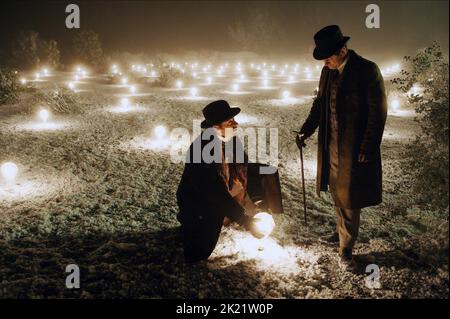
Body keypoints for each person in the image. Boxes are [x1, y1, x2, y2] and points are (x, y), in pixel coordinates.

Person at [296, 25, 387, 270]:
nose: (325, 62)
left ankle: (346, 249)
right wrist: (306, 130)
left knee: (350, 198)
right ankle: (342, 234)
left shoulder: (367, 70)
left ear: (343, 50)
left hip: (355, 147)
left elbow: (377, 114)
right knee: (337, 191)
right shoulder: (327, 72)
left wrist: (368, 147)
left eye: (328, 56)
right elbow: (319, 105)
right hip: (331, 145)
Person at [176, 100, 264, 263]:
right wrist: (246, 221)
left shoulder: (230, 140)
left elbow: (243, 167)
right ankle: (202, 226)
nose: (236, 124)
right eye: (230, 121)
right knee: (199, 251)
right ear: (215, 127)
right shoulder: (200, 151)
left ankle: (233, 215)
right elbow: (214, 193)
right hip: (200, 204)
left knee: (266, 172)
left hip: (223, 192)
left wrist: (258, 198)